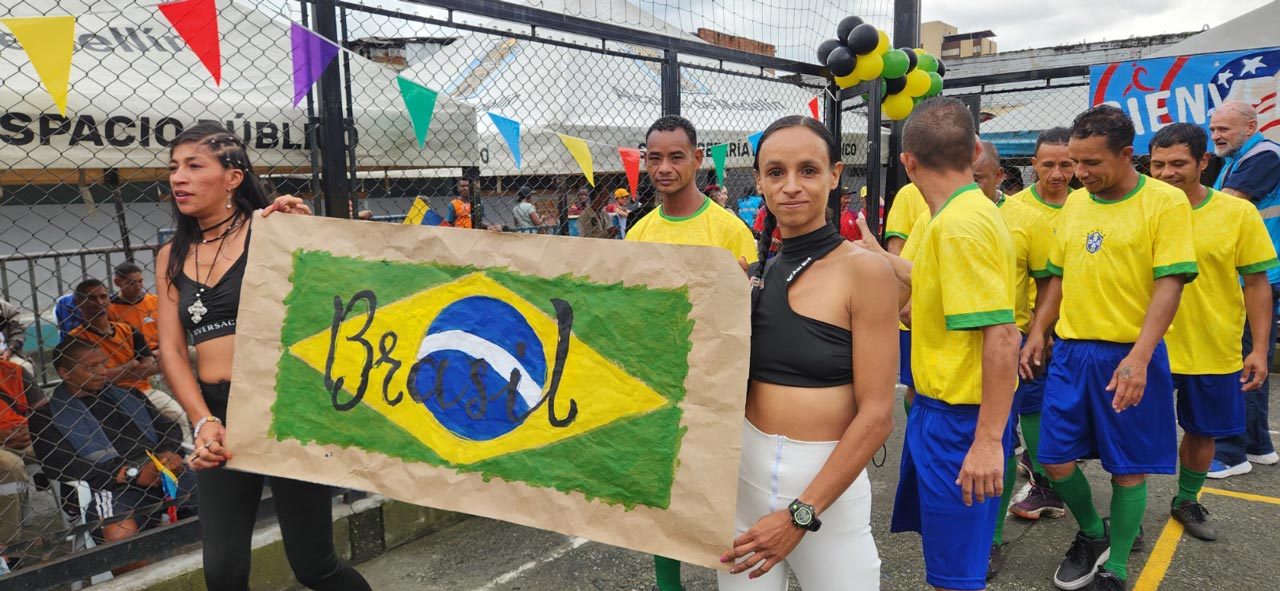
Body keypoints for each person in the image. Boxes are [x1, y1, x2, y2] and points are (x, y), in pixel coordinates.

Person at [154, 122, 371, 590]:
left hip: (285, 408)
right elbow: (171, 348)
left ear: (233, 177)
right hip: (218, 416)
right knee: (224, 571)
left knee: (314, 566)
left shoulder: (273, 229)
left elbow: (333, 298)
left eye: (194, 166)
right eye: (173, 168)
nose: (178, 178)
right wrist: (201, 421)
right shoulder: (171, 253)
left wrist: (305, 231)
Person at [1020, 105, 1197, 591]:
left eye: (1091, 164)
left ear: (1126, 155)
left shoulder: (1164, 203)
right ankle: (1093, 533)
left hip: (1128, 356)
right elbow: (1057, 275)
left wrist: (1140, 357)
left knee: (1127, 469)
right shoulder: (1077, 204)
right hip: (1072, 355)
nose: (1080, 174)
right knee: (1053, 459)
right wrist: (1039, 330)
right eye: (1076, 163)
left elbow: (1171, 284)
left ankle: (1116, 567)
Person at [717, 116, 896, 589]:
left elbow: (877, 416)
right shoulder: (755, 275)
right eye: (775, 172)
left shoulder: (866, 273)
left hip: (826, 499)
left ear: (835, 174)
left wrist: (800, 514)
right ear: (758, 181)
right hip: (744, 485)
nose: (791, 186)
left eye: (808, 170)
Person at [858, 98, 1019, 591]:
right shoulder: (962, 212)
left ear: (907, 162)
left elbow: (1002, 335)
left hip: (962, 421)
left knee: (956, 576)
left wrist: (988, 440)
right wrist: (872, 254)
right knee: (946, 559)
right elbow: (933, 282)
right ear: (973, 151)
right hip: (938, 412)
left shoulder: (959, 225)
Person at [627, 115, 757, 591]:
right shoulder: (637, 234)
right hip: (657, 385)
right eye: (654, 157)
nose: (664, 167)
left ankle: (741, 579)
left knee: (722, 494)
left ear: (698, 160)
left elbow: (749, 311)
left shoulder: (729, 230)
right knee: (663, 495)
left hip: (717, 387)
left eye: (676, 156)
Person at [1150, 123, 1277, 540]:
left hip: (1213, 345)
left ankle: (1186, 498)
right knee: (1133, 433)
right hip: (1147, 348)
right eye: (1158, 164)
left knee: (1203, 432)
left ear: (1204, 162)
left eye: (1178, 163)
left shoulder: (1236, 213)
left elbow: (1257, 283)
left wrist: (1259, 349)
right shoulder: (1140, 208)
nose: (1167, 173)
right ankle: (1128, 510)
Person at [972, 140, 1056, 579]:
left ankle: (992, 540)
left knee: (1000, 437)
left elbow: (1048, 283)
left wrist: (1037, 334)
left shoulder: (1025, 219)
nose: (967, 186)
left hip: (1008, 345)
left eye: (978, 179)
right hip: (951, 349)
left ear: (999, 176)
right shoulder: (944, 213)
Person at [28, 338, 196, 544]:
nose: (103, 372)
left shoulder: (128, 395)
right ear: (65, 373)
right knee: (118, 534)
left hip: (163, 472)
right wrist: (130, 474)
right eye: (91, 367)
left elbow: (167, 427)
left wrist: (168, 453)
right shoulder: (47, 417)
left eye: (103, 363)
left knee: (223, 495)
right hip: (113, 488)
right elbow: (61, 465)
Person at [1207, 100, 1280, 476]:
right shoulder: (1239, 159)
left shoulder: (1264, 155)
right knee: (1254, 359)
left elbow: (1226, 206)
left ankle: (1231, 452)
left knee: (1244, 361)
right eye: (1214, 129)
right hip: (1256, 271)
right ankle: (1257, 444)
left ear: (1251, 126)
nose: (1216, 135)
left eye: (1225, 129)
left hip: (1258, 275)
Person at [1006, 127, 1074, 522]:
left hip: (1076, 328)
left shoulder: (1087, 205)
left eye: (1066, 164)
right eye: (1048, 164)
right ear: (1033, 165)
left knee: (1069, 414)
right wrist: (1037, 330)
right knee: (1032, 409)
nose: (1057, 173)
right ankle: (1043, 486)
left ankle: (1111, 506)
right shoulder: (1013, 211)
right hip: (1031, 331)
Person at [69, 279, 160, 398]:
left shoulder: (128, 330)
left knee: (181, 416)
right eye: (91, 298)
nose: (99, 302)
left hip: (144, 391)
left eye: (103, 297)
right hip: (104, 397)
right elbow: (91, 380)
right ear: (78, 302)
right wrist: (130, 364)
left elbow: (151, 367)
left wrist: (112, 376)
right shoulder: (76, 338)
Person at [882, 182, 928, 410]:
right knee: (917, 386)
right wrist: (906, 300)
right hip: (917, 310)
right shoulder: (910, 194)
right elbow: (896, 248)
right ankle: (915, 437)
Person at [0, 299, 27, 372]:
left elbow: (18, 332)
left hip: (6, 353)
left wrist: (10, 350)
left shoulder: (4, 308)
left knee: (26, 367)